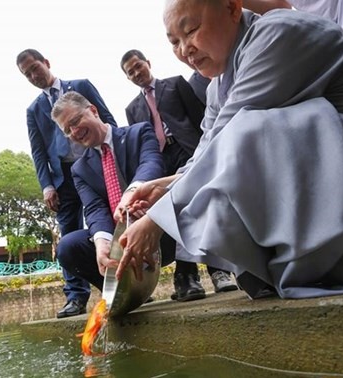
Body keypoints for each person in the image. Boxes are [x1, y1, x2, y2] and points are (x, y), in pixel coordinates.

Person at [114, 0, 343, 300]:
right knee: (223, 171)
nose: (185, 49)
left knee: (257, 134)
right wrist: (156, 188)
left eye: (191, 30)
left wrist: (155, 220)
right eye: (174, 42)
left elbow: (233, 136)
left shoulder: (275, 33)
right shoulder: (217, 87)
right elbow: (205, 153)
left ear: (230, 8)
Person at [120, 49, 237, 300]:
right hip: (161, 161)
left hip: (189, 151)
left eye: (138, 66)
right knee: (171, 211)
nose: (136, 73)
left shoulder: (174, 84)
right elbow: (141, 141)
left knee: (201, 204)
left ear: (147, 63)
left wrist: (205, 153)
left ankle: (220, 271)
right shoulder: (132, 108)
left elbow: (201, 117)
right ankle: (187, 276)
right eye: (130, 72)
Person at [16, 48, 117, 318]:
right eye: (27, 75)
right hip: (64, 176)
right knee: (68, 233)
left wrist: (116, 154)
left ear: (46, 63)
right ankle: (75, 296)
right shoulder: (34, 110)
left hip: (95, 165)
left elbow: (106, 118)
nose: (34, 75)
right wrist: (47, 185)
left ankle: (124, 280)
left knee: (108, 222)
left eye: (35, 68)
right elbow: (38, 150)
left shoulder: (81, 86)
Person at [50, 91, 176, 295]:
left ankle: (187, 277)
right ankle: (121, 293)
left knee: (182, 206)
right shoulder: (79, 169)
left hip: (156, 228)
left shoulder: (139, 132)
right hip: (119, 241)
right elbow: (94, 208)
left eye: (75, 120)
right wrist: (102, 242)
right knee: (68, 246)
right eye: (67, 130)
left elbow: (151, 164)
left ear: (93, 110)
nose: (74, 131)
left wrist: (132, 192)